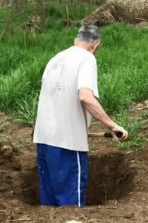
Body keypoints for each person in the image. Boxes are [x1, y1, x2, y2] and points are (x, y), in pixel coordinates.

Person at [33, 24, 128, 207]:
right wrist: (112, 125)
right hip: (67, 144)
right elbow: (85, 96)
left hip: (43, 140)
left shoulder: (56, 58)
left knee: (49, 206)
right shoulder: (86, 59)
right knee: (71, 209)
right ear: (96, 45)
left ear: (76, 40)